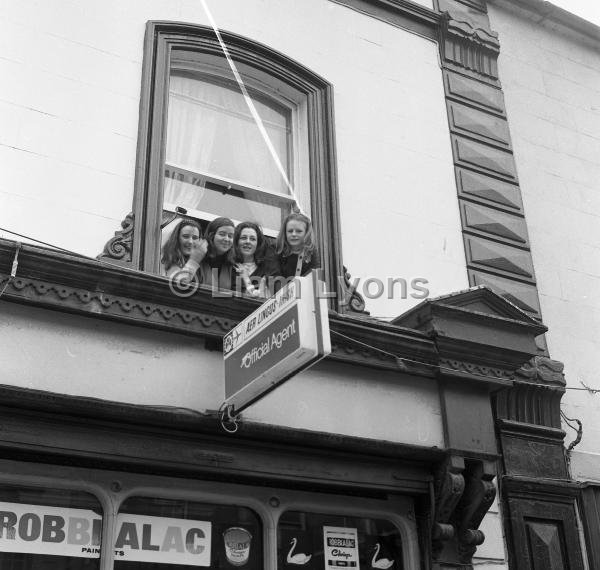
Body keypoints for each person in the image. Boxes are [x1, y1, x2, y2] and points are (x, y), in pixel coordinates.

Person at [231, 222, 271, 297]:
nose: (248, 242)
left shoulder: (266, 269)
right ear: (236, 241)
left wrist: (246, 278)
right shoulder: (229, 266)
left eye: (252, 239)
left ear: (258, 244)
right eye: (243, 238)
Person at [275, 212, 320, 279]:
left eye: (299, 231)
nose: (293, 234)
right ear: (284, 232)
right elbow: (274, 277)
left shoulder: (311, 252)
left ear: (306, 233)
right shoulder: (276, 250)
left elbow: (314, 277)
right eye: (290, 231)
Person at [197, 217, 236, 291]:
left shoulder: (234, 265)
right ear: (211, 236)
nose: (227, 239)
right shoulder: (197, 258)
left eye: (230, 236)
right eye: (222, 234)